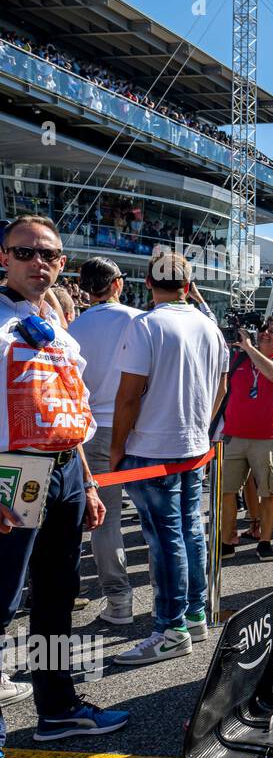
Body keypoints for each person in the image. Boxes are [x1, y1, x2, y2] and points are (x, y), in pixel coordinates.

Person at [1, 216, 124, 758]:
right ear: (4, 257)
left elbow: (67, 412)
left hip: (64, 473)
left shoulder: (55, 324)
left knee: (57, 595)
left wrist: (87, 480)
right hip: (12, 473)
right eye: (25, 252)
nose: (38, 261)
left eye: (48, 254)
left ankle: (57, 710)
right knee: (1, 605)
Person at [111, 249, 228, 666]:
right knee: (189, 532)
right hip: (192, 445)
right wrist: (200, 425)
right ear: (188, 284)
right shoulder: (209, 327)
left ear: (147, 284)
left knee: (165, 540)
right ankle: (192, 615)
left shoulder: (146, 325)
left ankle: (171, 627)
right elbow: (220, 388)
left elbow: (128, 397)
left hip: (152, 447)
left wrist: (116, 447)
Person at [68, 256, 141, 624]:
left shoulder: (73, 328)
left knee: (107, 520)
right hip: (139, 429)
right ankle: (171, 602)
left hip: (94, 431)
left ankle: (119, 601)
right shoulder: (137, 320)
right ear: (118, 284)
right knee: (155, 517)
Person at [220, 318, 273, 561]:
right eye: (262, 331)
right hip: (234, 434)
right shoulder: (239, 358)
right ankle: (227, 538)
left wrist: (250, 348)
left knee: (269, 492)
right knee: (227, 491)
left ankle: (265, 540)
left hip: (268, 437)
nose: (265, 335)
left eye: (272, 332)